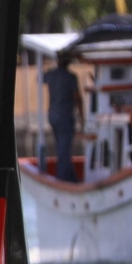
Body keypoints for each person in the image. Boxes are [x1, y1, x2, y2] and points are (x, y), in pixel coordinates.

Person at [44, 53, 81, 182]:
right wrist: (82, 118)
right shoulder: (71, 77)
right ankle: (63, 178)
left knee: (62, 148)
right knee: (64, 150)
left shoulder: (51, 75)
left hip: (53, 115)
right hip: (65, 116)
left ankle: (71, 177)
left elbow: (41, 78)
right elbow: (78, 98)